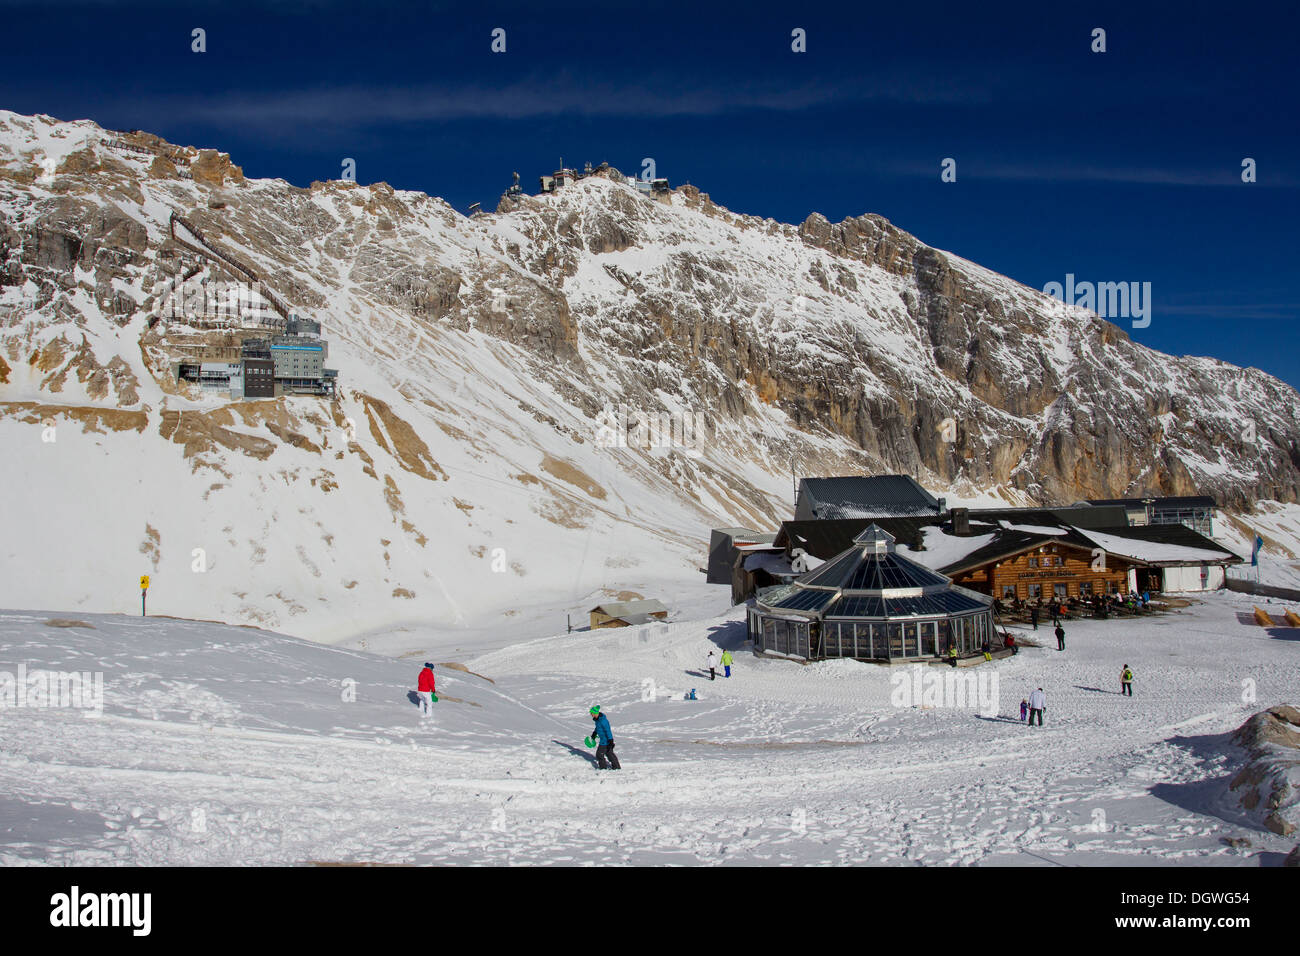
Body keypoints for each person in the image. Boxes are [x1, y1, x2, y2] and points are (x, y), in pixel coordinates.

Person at [589, 705, 621, 770]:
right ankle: (616, 767)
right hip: (603, 740)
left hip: (605, 741)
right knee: (609, 753)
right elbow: (598, 728)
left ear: (595, 713)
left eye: (591, 713)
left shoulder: (603, 721)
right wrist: (594, 733)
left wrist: (610, 741)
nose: (591, 715)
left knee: (599, 754)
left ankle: (603, 768)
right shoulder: (597, 720)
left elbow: (608, 730)